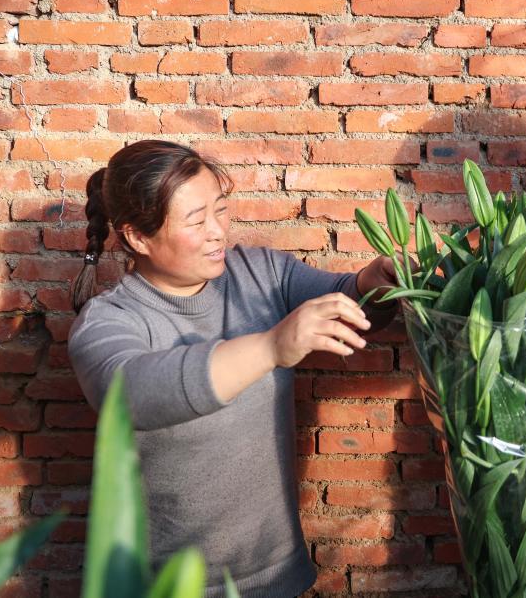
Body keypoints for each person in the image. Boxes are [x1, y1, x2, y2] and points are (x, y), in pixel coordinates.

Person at [68, 140, 398, 598]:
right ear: (137, 237)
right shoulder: (109, 321)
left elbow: (347, 302)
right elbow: (128, 394)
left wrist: (373, 285)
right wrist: (270, 347)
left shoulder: (260, 274)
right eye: (196, 220)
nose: (218, 231)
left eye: (220, 210)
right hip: (168, 585)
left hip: (275, 573)